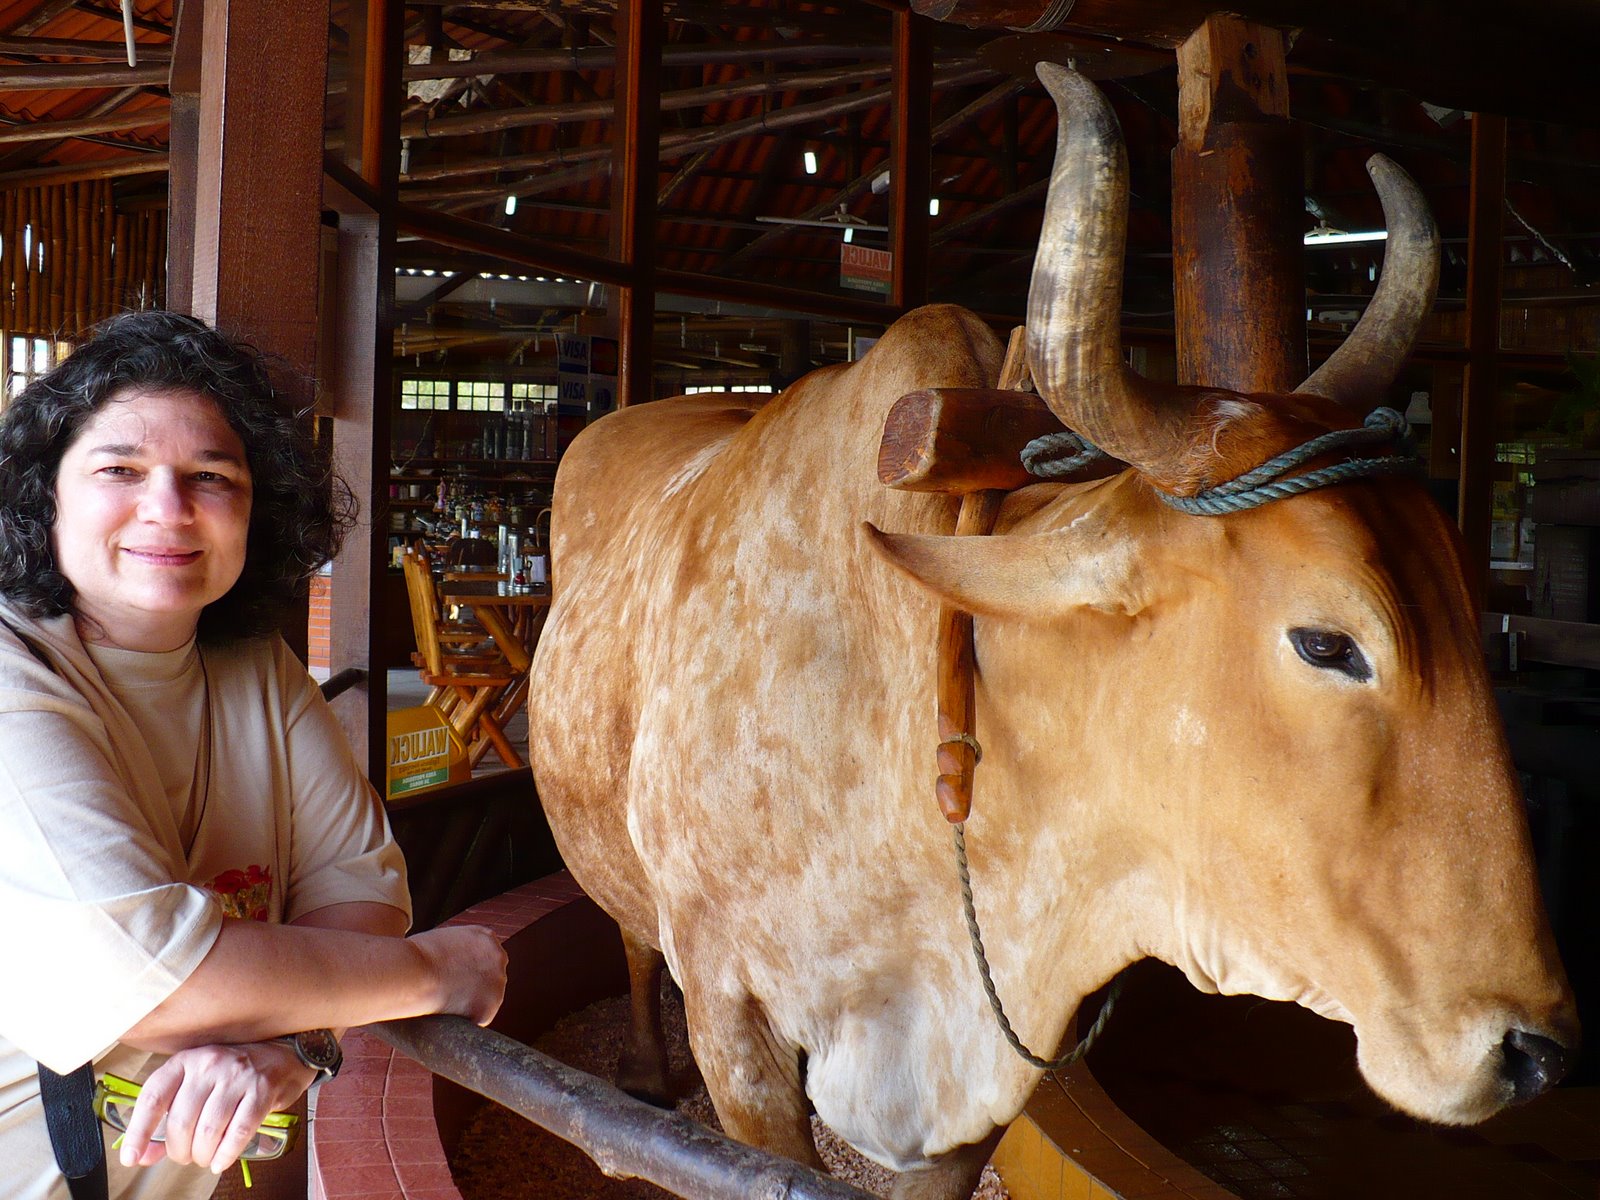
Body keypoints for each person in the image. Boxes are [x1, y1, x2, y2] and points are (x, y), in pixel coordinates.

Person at [0, 311, 509, 1199]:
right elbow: (156, 981)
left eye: (211, 477)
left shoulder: (251, 664)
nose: (168, 507)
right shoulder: (15, 673)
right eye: (119, 469)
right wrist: (440, 972)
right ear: (46, 496)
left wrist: (289, 1043)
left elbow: (358, 894)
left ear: (255, 509)